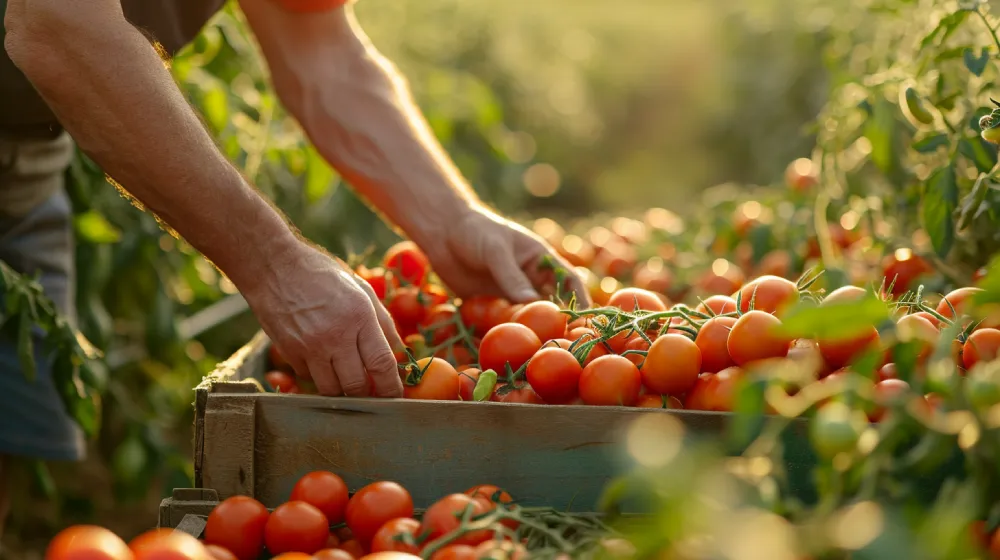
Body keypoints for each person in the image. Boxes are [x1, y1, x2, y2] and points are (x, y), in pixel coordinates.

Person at [0, 0, 588, 541]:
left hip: (26, 164)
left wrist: (452, 218)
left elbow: (320, 47)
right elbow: (58, 24)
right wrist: (275, 265)